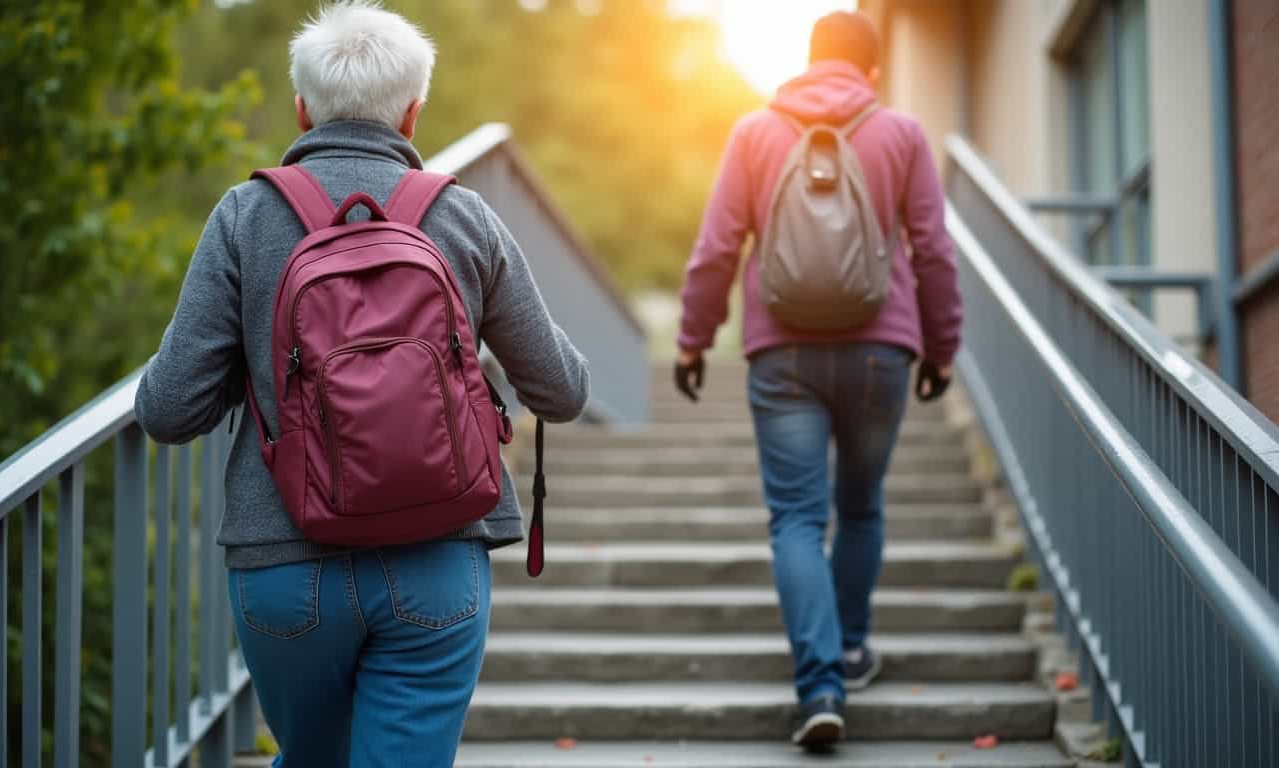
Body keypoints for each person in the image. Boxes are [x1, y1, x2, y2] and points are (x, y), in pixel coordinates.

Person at [134, 3, 589, 765]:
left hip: (284, 562)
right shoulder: (466, 217)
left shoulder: (245, 216)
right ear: (413, 114)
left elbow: (169, 409)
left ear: (302, 107)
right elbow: (564, 392)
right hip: (439, 561)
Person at [674, 10, 963, 751]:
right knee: (859, 508)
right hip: (881, 351)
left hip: (782, 354)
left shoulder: (755, 132)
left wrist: (693, 341)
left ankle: (820, 683)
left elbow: (715, 248)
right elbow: (932, 250)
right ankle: (853, 648)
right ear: (870, 71)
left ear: (808, 61)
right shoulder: (899, 133)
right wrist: (941, 347)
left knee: (798, 519)